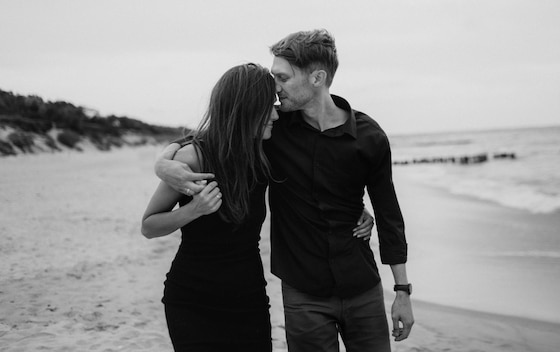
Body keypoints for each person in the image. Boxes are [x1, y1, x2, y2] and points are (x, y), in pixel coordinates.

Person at [156, 29, 413, 352]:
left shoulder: (369, 137)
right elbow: (221, 133)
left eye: (282, 77)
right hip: (302, 292)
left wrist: (402, 290)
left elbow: (390, 216)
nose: (274, 89)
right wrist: (163, 161)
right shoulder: (274, 132)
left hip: (361, 283)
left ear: (317, 78)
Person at [141, 63, 278, 351]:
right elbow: (149, 226)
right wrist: (192, 211)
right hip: (193, 301)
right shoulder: (193, 159)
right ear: (248, 109)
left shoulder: (264, 153)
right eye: (269, 107)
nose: (276, 115)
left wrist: (354, 207)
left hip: (249, 298)